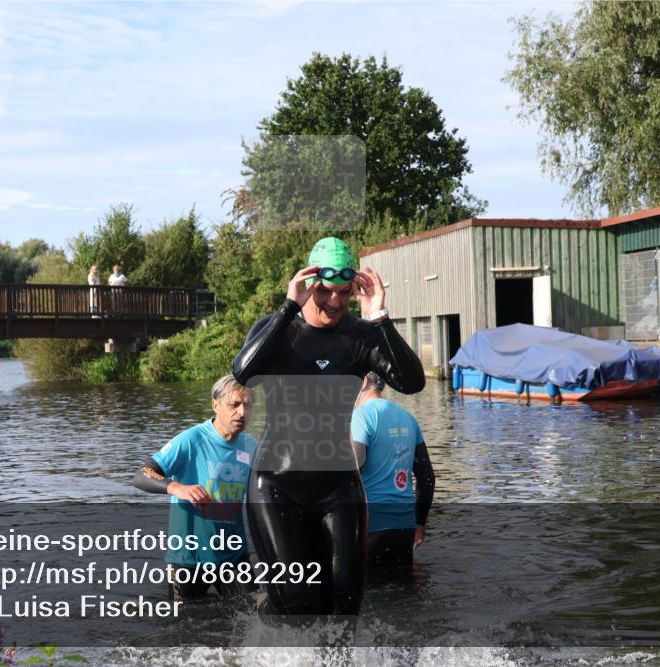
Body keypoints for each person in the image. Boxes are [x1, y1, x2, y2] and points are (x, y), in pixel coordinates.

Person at [232, 237, 425, 618]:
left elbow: (412, 382)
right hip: (277, 484)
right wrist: (289, 308)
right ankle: (265, 645)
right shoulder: (281, 329)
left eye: (343, 293)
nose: (335, 303)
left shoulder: (361, 335)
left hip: (338, 486)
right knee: (298, 602)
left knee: (344, 604)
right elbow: (244, 372)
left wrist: (380, 318)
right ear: (309, 284)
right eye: (326, 292)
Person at [133, 375, 257, 601]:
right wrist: (177, 487)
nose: (241, 412)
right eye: (234, 404)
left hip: (234, 557)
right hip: (187, 559)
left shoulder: (251, 446)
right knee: (185, 628)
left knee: (255, 619)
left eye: (247, 405)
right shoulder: (191, 440)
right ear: (215, 405)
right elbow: (141, 475)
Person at [351, 371, 435, 580]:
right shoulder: (408, 417)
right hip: (406, 526)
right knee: (402, 594)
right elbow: (427, 479)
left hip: (372, 524)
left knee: (368, 598)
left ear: (363, 382)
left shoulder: (361, 417)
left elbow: (352, 472)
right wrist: (419, 524)